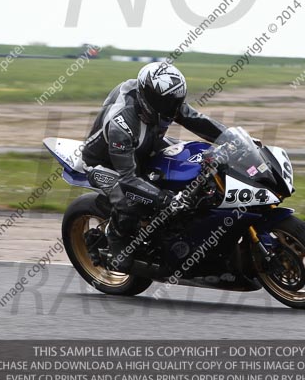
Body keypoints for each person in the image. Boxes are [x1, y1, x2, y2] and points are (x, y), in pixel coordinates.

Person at [82, 62, 227, 271]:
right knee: (130, 200)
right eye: (167, 103)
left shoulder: (165, 101)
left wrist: (232, 138)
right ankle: (116, 238)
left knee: (195, 158)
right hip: (105, 163)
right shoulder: (121, 123)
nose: (172, 108)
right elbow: (128, 178)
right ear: (147, 97)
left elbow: (197, 120)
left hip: (143, 146)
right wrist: (162, 198)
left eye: (176, 102)